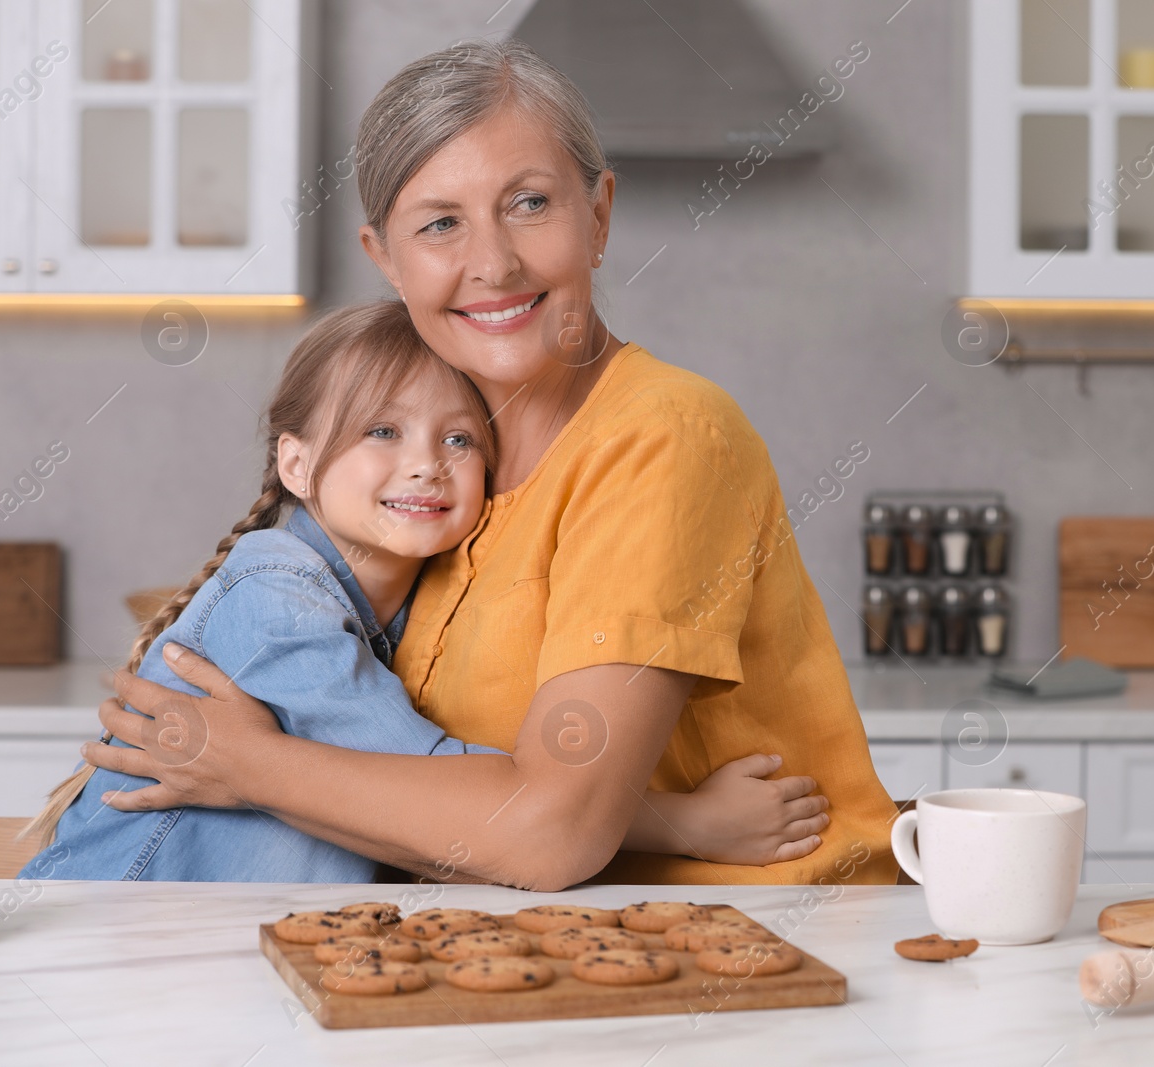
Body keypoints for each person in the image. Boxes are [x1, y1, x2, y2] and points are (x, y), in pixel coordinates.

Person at [84, 37, 899, 890]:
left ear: (599, 216)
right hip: (530, 964)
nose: (494, 262)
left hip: (757, 956)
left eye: (530, 203)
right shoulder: (440, 496)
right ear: (386, 261)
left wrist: (244, 765)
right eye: (441, 223)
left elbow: (549, 833)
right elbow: (446, 792)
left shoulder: (663, 435)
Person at [21, 303, 824, 880]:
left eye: (459, 437)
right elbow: (444, 791)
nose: (425, 463)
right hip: (118, 948)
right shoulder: (276, 603)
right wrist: (686, 822)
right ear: (296, 465)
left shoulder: (407, 608)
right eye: (382, 430)